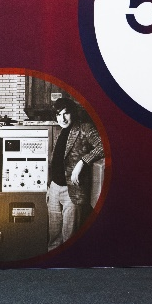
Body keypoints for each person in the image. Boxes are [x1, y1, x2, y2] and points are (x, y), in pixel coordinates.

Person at [46, 98, 104, 250]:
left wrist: (83, 162)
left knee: (69, 239)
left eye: (66, 113)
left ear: (73, 113)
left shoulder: (85, 128)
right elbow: (55, 162)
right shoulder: (60, 132)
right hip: (54, 189)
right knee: (54, 238)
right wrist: (49, 186)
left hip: (72, 191)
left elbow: (104, 145)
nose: (62, 118)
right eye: (59, 115)